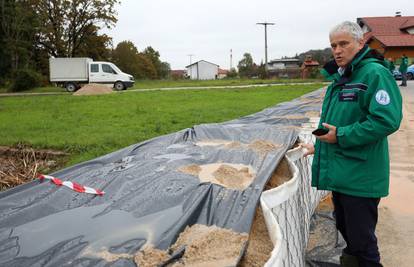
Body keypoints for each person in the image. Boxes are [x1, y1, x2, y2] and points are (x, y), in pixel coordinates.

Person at [300, 21, 402, 267]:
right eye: (333, 45)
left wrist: (341, 136)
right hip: (343, 174)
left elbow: (385, 120)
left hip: (361, 176)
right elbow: (340, 123)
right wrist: (322, 145)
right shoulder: (342, 77)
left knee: (363, 243)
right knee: (348, 233)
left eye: (343, 43)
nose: (337, 50)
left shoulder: (374, 74)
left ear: (360, 43)